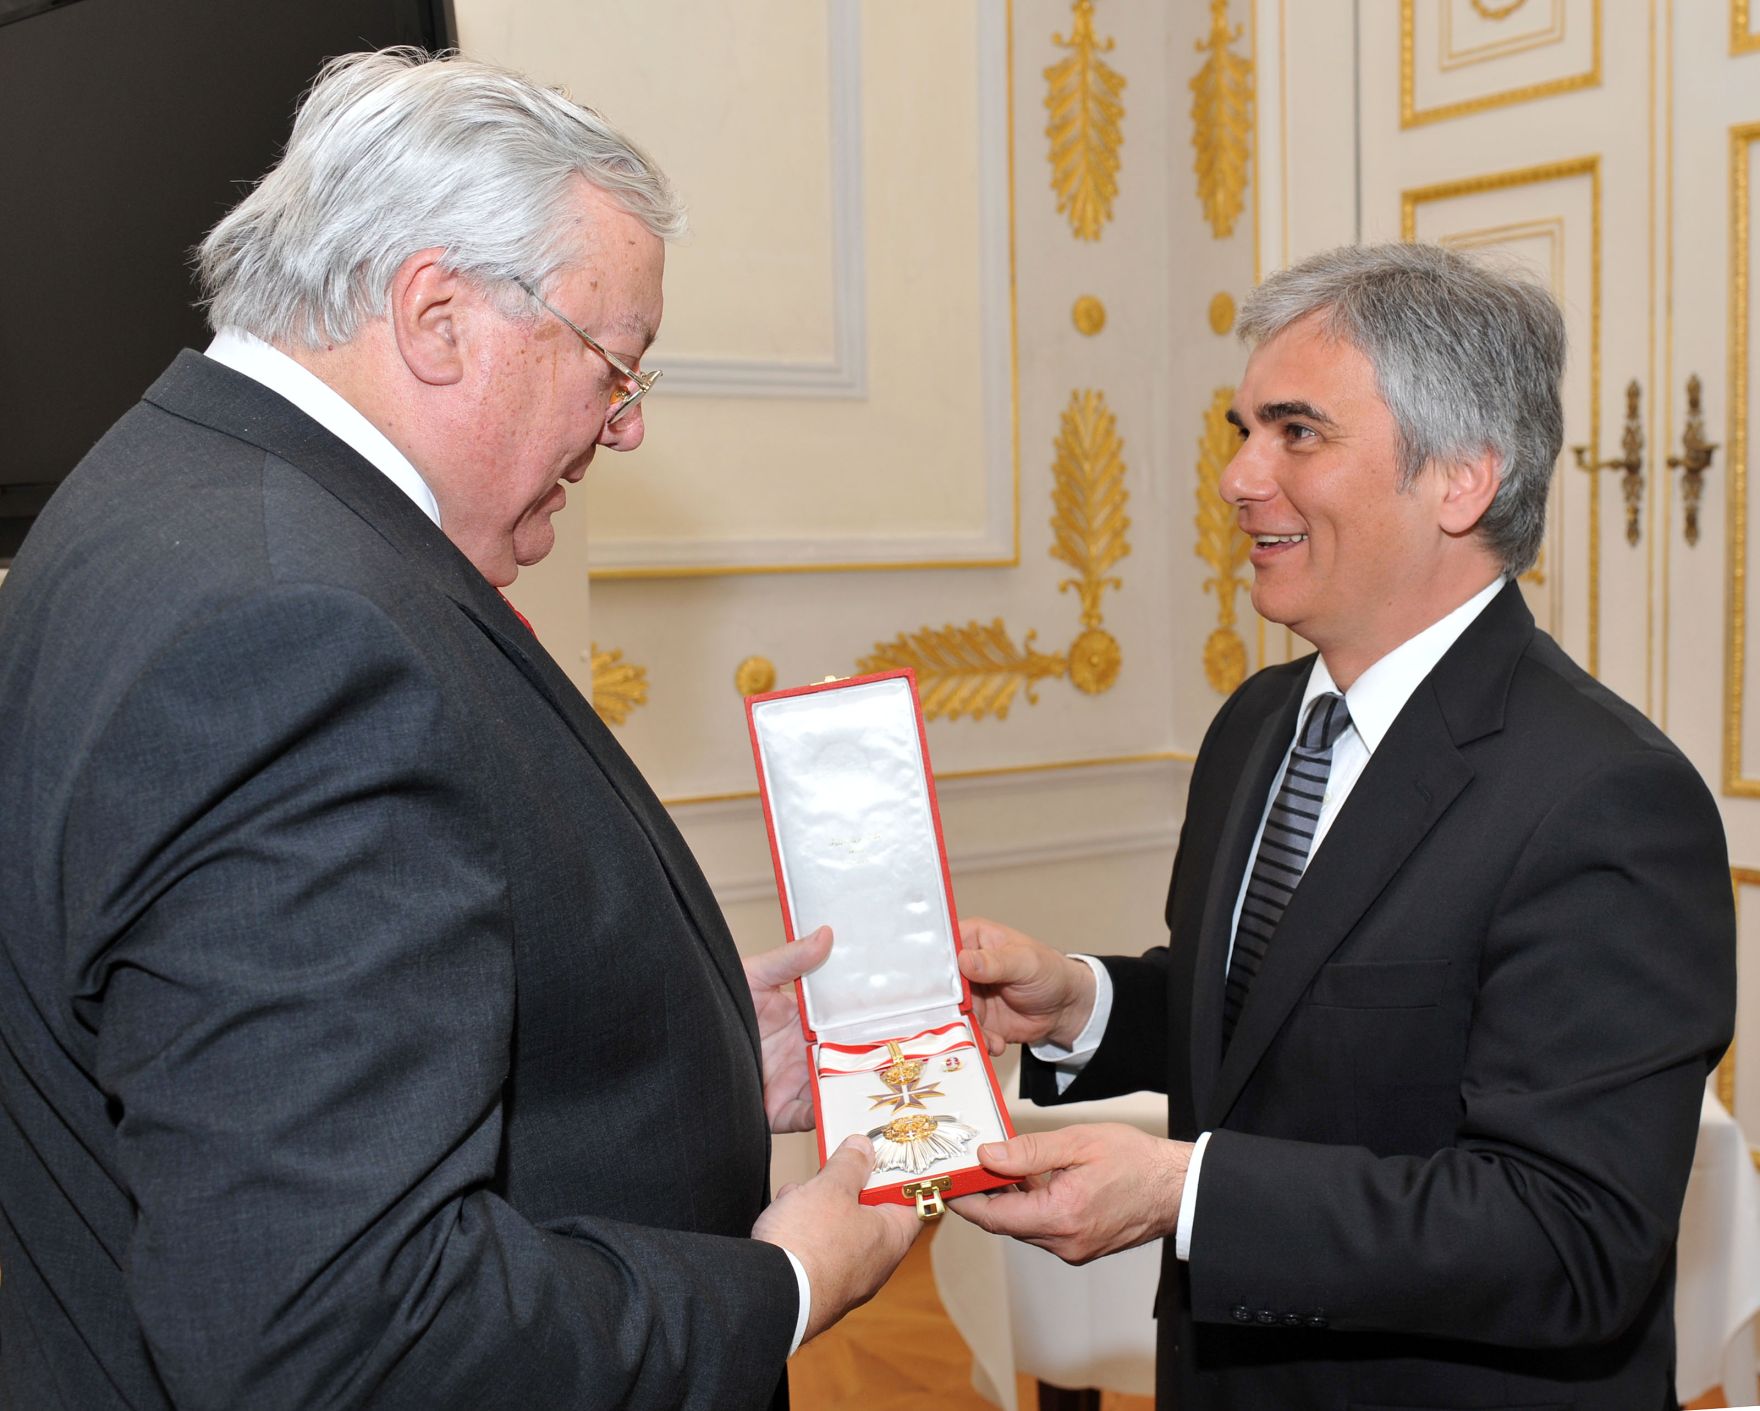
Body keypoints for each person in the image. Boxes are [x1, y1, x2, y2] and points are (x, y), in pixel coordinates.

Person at [0, 49, 917, 1411]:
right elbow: (337, 1331)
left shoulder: (154, 491)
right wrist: (779, 1285)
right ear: (437, 318)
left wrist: (699, 1043)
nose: (628, 427)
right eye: (616, 366)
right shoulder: (292, 626)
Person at [951, 242, 1735, 1409]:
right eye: (1239, 429)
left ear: (1461, 477)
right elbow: (1279, 1028)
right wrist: (1083, 1004)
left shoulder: (1605, 796)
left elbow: (1568, 1236)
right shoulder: (1259, 721)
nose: (1236, 477)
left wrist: (1187, 1195)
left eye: (1295, 432)